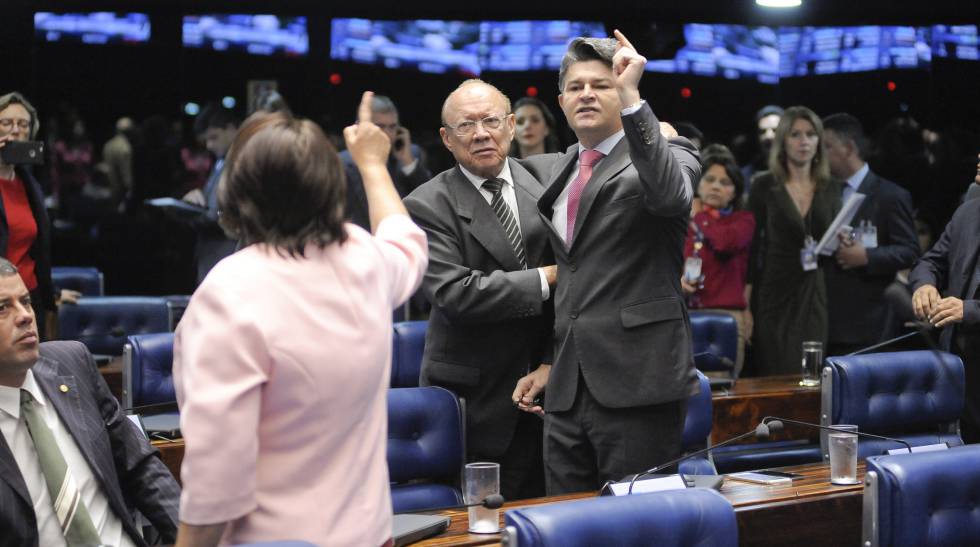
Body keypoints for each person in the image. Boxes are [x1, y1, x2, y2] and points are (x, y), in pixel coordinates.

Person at [173, 93, 427, 546]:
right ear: (329, 187)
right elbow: (407, 241)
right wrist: (372, 164)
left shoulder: (227, 293)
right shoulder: (362, 257)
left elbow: (218, 483)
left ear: (238, 192)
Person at [512, 32, 701, 495]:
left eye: (602, 84)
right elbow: (577, 280)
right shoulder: (558, 169)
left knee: (638, 529)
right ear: (561, 101)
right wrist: (551, 361)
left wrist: (636, 102)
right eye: (576, 87)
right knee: (566, 523)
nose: (587, 95)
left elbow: (670, 194)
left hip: (640, 383)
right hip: (567, 391)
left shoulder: (671, 152)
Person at [404, 80, 555, 500]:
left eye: (490, 120)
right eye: (466, 125)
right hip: (475, 402)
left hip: (548, 394)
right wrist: (547, 277)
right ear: (446, 139)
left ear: (510, 126)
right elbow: (456, 292)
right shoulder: (425, 204)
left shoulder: (543, 185)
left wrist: (552, 361)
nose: (481, 133)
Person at [0, 258, 180, 547]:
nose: (24, 316)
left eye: (26, 301)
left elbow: (141, 468)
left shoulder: (72, 362)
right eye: (2, 308)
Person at [747, 106, 840, 376]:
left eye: (811, 134)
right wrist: (746, 307)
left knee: (811, 375)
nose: (804, 142)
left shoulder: (831, 187)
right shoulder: (763, 185)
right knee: (775, 372)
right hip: (774, 291)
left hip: (815, 289)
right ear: (782, 140)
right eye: (796, 134)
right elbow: (752, 249)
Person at [821, 113, 919, 355]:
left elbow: (910, 251)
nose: (819, 155)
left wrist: (867, 256)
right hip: (824, 318)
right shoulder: (820, 194)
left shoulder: (890, 195)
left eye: (827, 146)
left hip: (870, 321)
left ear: (848, 148)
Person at [909, 167, 980, 444]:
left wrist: (969, 310)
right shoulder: (967, 212)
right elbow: (930, 262)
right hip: (960, 367)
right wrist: (924, 285)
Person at [0, 92, 79, 340]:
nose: (15, 131)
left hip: (29, 299)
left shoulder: (28, 182)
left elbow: (36, 249)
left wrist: (50, 293)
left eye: (22, 125)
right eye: (6, 123)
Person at [681, 150, 755, 375]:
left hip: (726, 319)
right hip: (685, 314)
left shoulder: (743, 220)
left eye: (725, 182)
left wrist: (700, 215)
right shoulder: (681, 219)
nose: (715, 187)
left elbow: (725, 243)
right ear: (698, 183)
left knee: (722, 393)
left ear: (735, 192)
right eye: (710, 179)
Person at [341, 94, 431, 230]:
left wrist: (408, 162)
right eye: (380, 126)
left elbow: (430, 202)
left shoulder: (411, 155)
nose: (388, 134)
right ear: (361, 127)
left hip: (403, 238)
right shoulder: (340, 162)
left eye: (392, 127)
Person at [180, 105, 240, 284]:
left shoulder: (241, 162)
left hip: (225, 256)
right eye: (206, 140)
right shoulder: (222, 160)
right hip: (214, 254)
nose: (209, 145)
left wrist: (186, 212)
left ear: (231, 128)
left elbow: (218, 215)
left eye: (214, 137)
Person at [741, 105, 783, 193]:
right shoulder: (745, 176)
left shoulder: (802, 171)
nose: (768, 136)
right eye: (762, 132)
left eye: (775, 130)